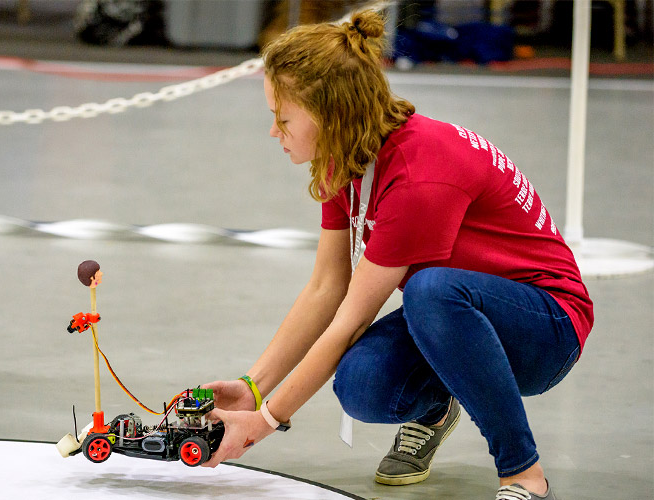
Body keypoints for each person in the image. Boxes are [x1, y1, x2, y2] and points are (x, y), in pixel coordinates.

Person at [197, 10, 592, 500]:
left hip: (546, 328)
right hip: (456, 313)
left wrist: (267, 419)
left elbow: (350, 322)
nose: (274, 132)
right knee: (363, 385)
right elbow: (327, 288)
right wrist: (253, 386)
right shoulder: (344, 157)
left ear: (330, 116)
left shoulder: (420, 175)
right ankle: (436, 410)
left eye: (283, 119)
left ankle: (522, 472)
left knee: (432, 291)